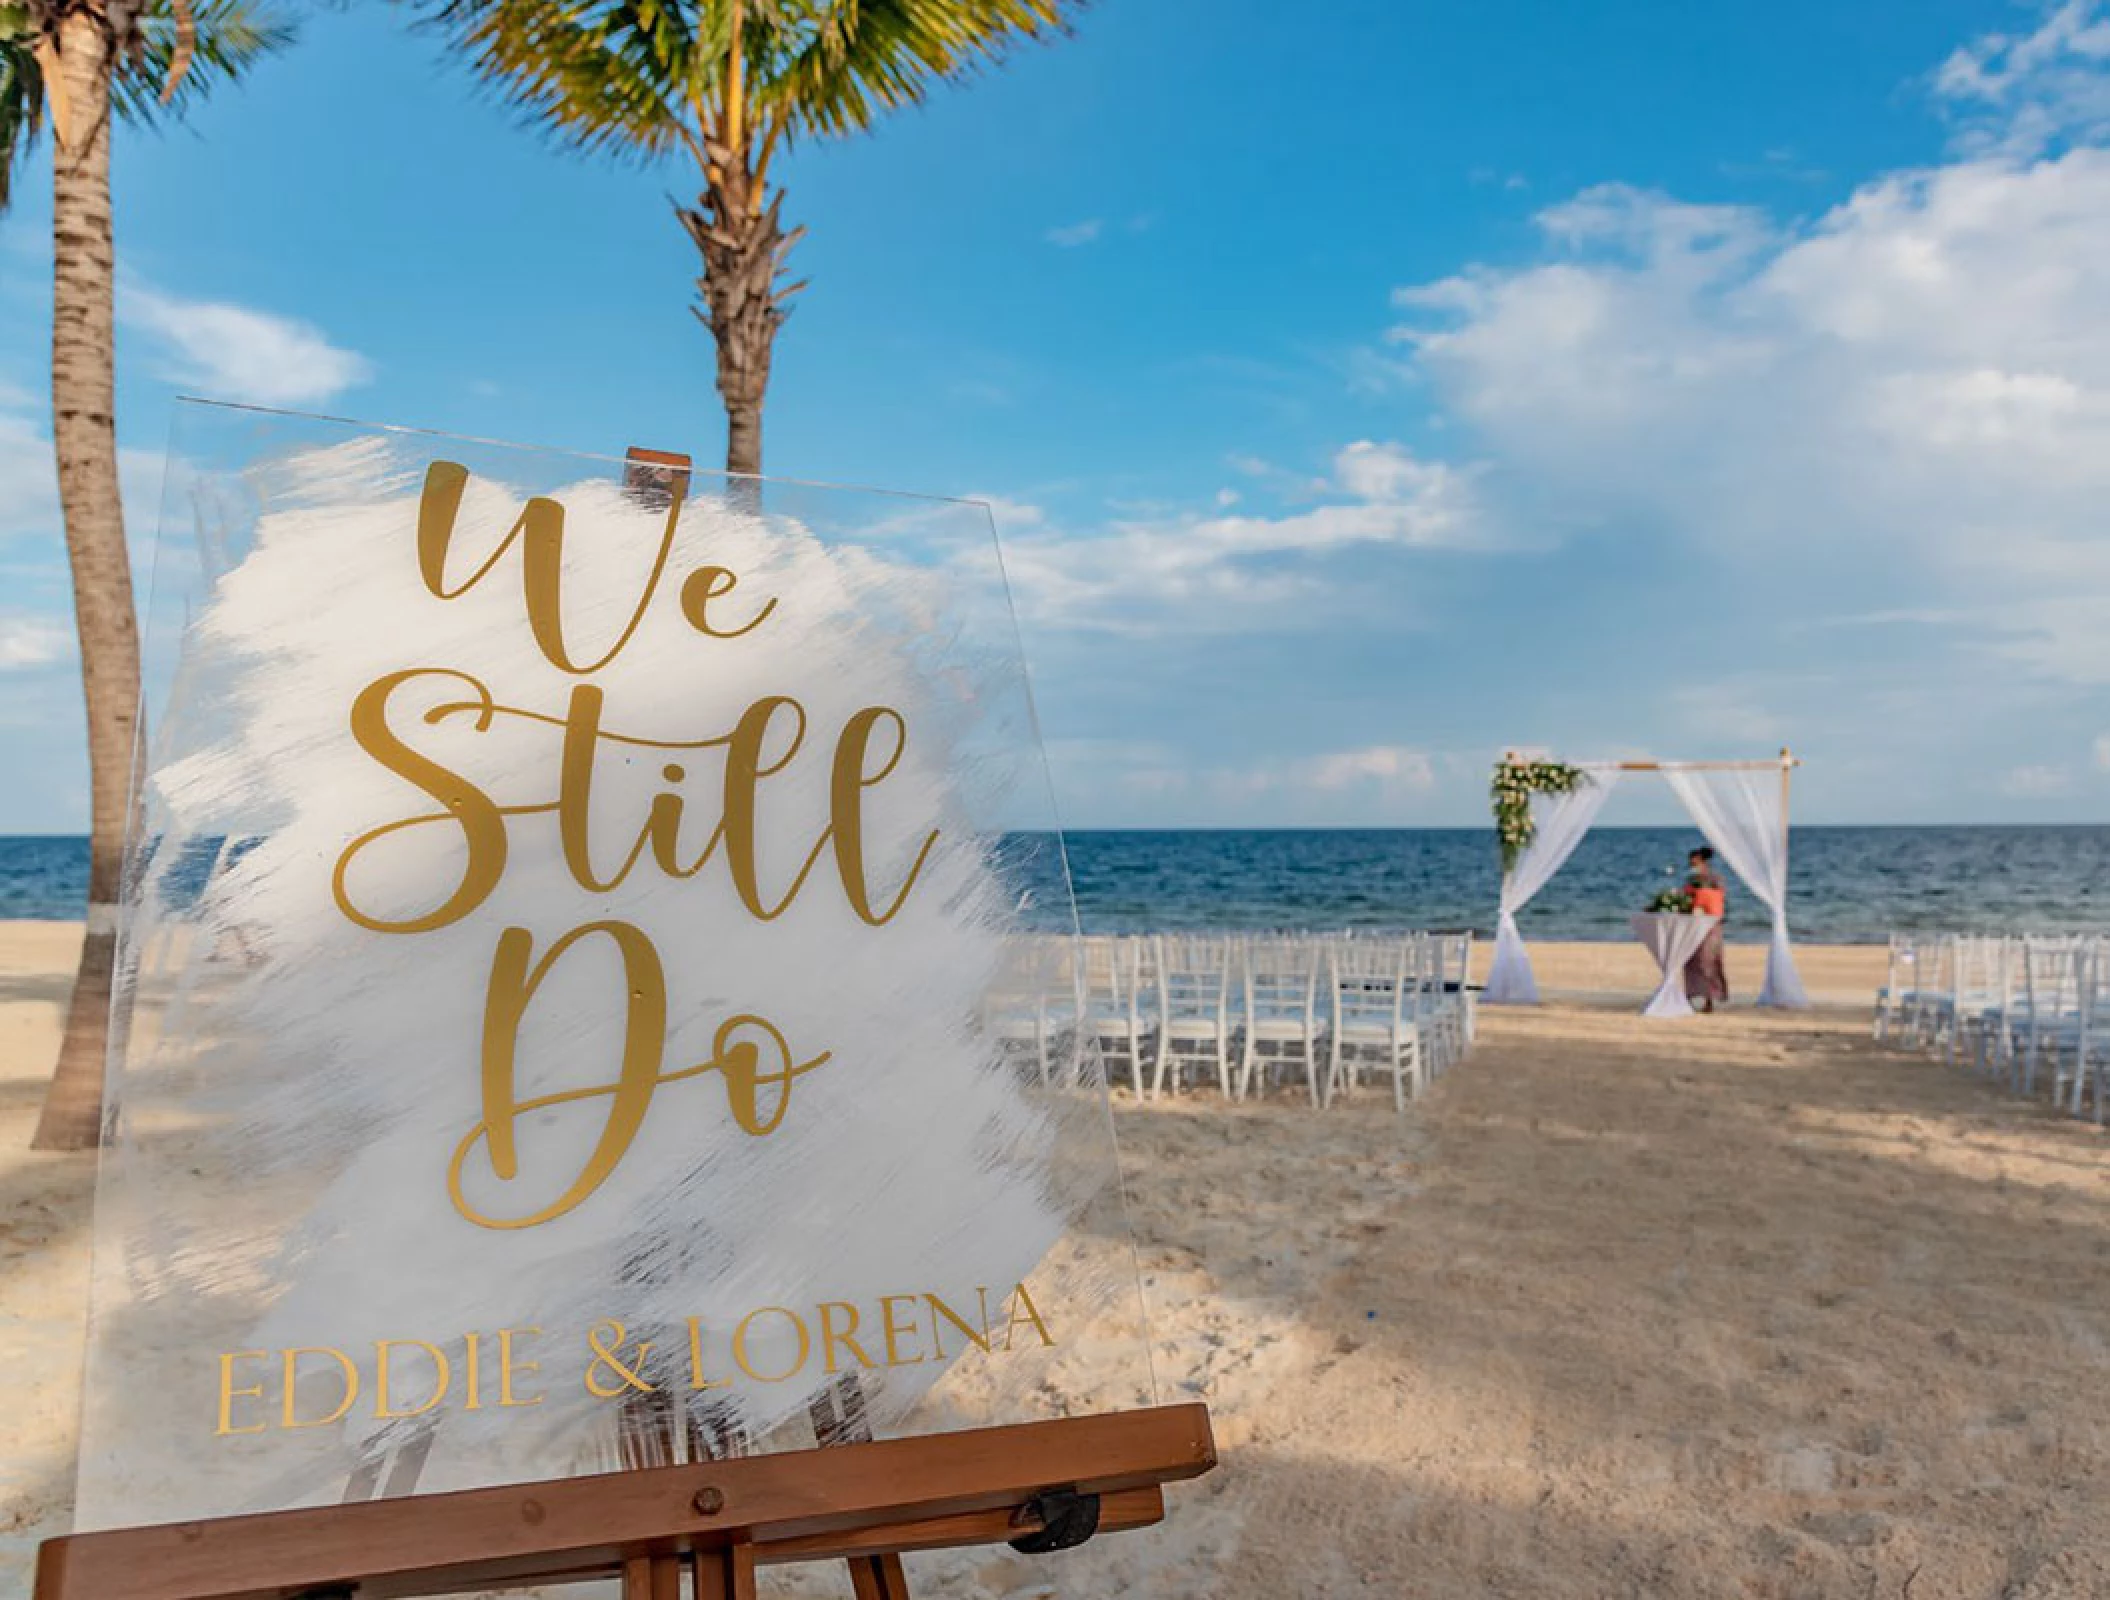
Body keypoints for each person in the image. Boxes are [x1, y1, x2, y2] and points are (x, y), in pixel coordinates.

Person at [1683, 846, 1729, 1013]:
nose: (1690, 862)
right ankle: (1689, 996)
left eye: (1693, 859)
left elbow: (1720, 897)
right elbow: (1687, 896)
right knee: (1691, 961)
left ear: (1701, 859)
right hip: (1694, 924)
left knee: (1708, 961)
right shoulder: (1691, 878)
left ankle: (1709, 999)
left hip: (1711, 924)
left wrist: (1702, 897)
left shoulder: (1715, 877)